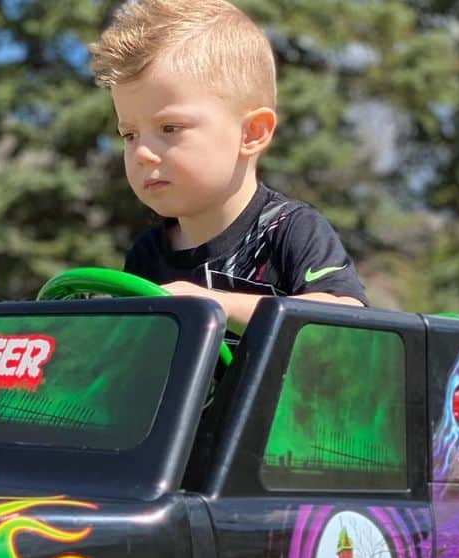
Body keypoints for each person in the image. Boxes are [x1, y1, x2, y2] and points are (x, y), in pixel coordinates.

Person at [90, 0, 368, 336]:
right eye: (129, 134)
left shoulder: (288, 230)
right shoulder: (147, 255)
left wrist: (216, 304)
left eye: (169, 128)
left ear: (251, 133)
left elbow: (352, 319)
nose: (142, 153)